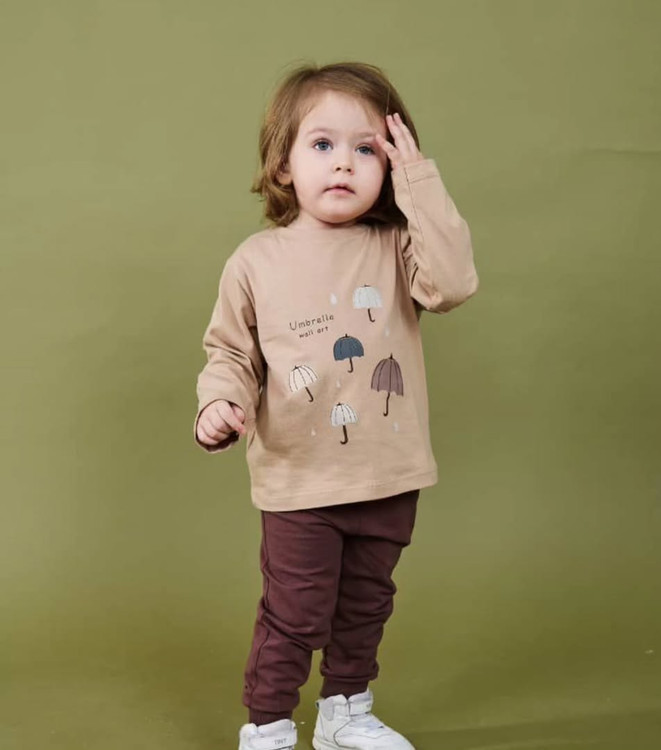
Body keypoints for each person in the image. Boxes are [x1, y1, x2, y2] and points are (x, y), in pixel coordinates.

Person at [192, 61, 479, 750]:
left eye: (367, 149)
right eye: (322, 144)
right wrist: (219, 403)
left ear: (390, 166)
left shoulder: (396, 247)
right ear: (283, 164)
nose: (344, 163)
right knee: (295, 612)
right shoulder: (256, 261)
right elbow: (230, 352)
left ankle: (344, 711)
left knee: (365, 606)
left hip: (388, 473)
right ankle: (267, 725)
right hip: (300, 480)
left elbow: (452, 284)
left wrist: (419, 180)